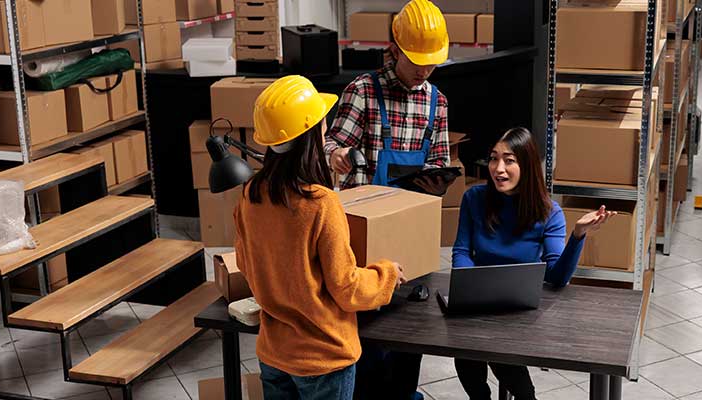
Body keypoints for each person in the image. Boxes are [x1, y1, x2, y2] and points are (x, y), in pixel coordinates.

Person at [234, 75, 406, 400]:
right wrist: (386, 275)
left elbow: (247, 264)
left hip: (274, 353)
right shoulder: (320, 203)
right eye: (322, 122)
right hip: (322, 358)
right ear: (310, 133)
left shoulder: (250, 196)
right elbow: (346, 288)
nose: (326, 126)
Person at [451, 127, 616, 400]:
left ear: (526, 165)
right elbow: (461, 250)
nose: (498, 168)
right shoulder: (474, 198)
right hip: (476, 306)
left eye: (509, 160)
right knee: (466, 350)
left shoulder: (549, 211)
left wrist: (577, 235)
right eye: (494, 158)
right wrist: (471, 287)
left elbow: (556, 277)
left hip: (519, 311)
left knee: (520, 387)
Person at [325, 0, 452, 195]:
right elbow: (331, 145)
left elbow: (440, 160)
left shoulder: (438, 103)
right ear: (395, 51)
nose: (424, 71)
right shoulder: (363, 92)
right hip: (365, 211)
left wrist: (437, 179)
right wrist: (335, 154)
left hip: (412, 209)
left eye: (431, 64)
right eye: (416, 62)